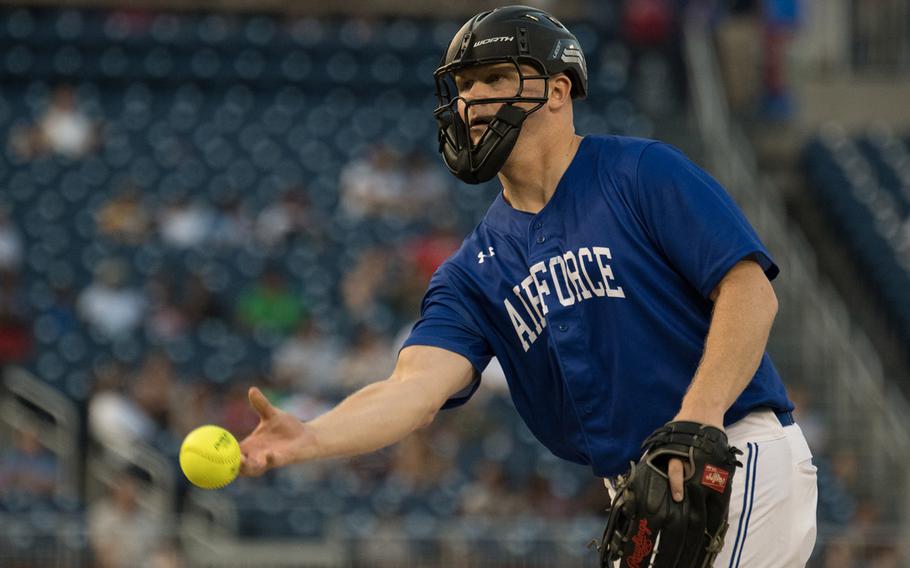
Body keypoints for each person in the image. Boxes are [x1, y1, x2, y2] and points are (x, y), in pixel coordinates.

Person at [238, 5, 817, 566]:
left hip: (732, 455)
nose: (471, 99)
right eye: (463, 85)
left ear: (558, 91)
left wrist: (699, 415)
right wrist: (311, 436)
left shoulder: (639, 172)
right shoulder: (472, 273)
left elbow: (749, 291)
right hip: (642, 493)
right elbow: (410, 389)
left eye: (493, 77)